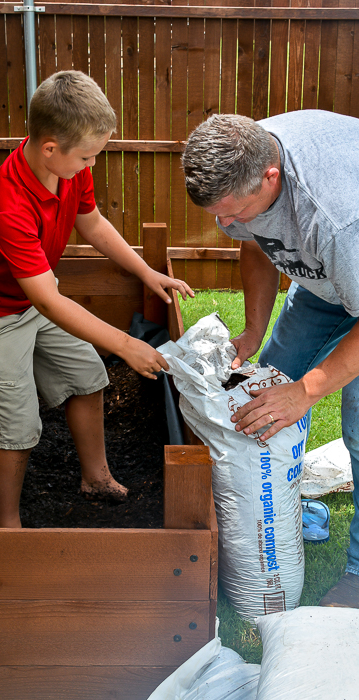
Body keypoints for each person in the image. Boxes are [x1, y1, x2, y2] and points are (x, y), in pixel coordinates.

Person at [0, 70, 193, 529]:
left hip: (36, 297)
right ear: (50, 148)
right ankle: (7, 525)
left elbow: (93, 224)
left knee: (88, 377)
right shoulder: (8, 201)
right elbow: (50, 304)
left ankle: (96, 478)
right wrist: (125, 343)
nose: (92, 165)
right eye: (88, 156)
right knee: (18, 432)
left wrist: (146, 271)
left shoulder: (69, 171)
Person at [182, 110, 359, 608]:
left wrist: (306, 392)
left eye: (234, 212)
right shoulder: (243, 160)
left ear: (272, 177)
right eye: (219, 215)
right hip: (326, 279)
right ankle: (279, 507)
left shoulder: (339, 216)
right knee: (266, 391)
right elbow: (260, 245)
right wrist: (255, 332)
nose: (226, 225)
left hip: (351, 256)